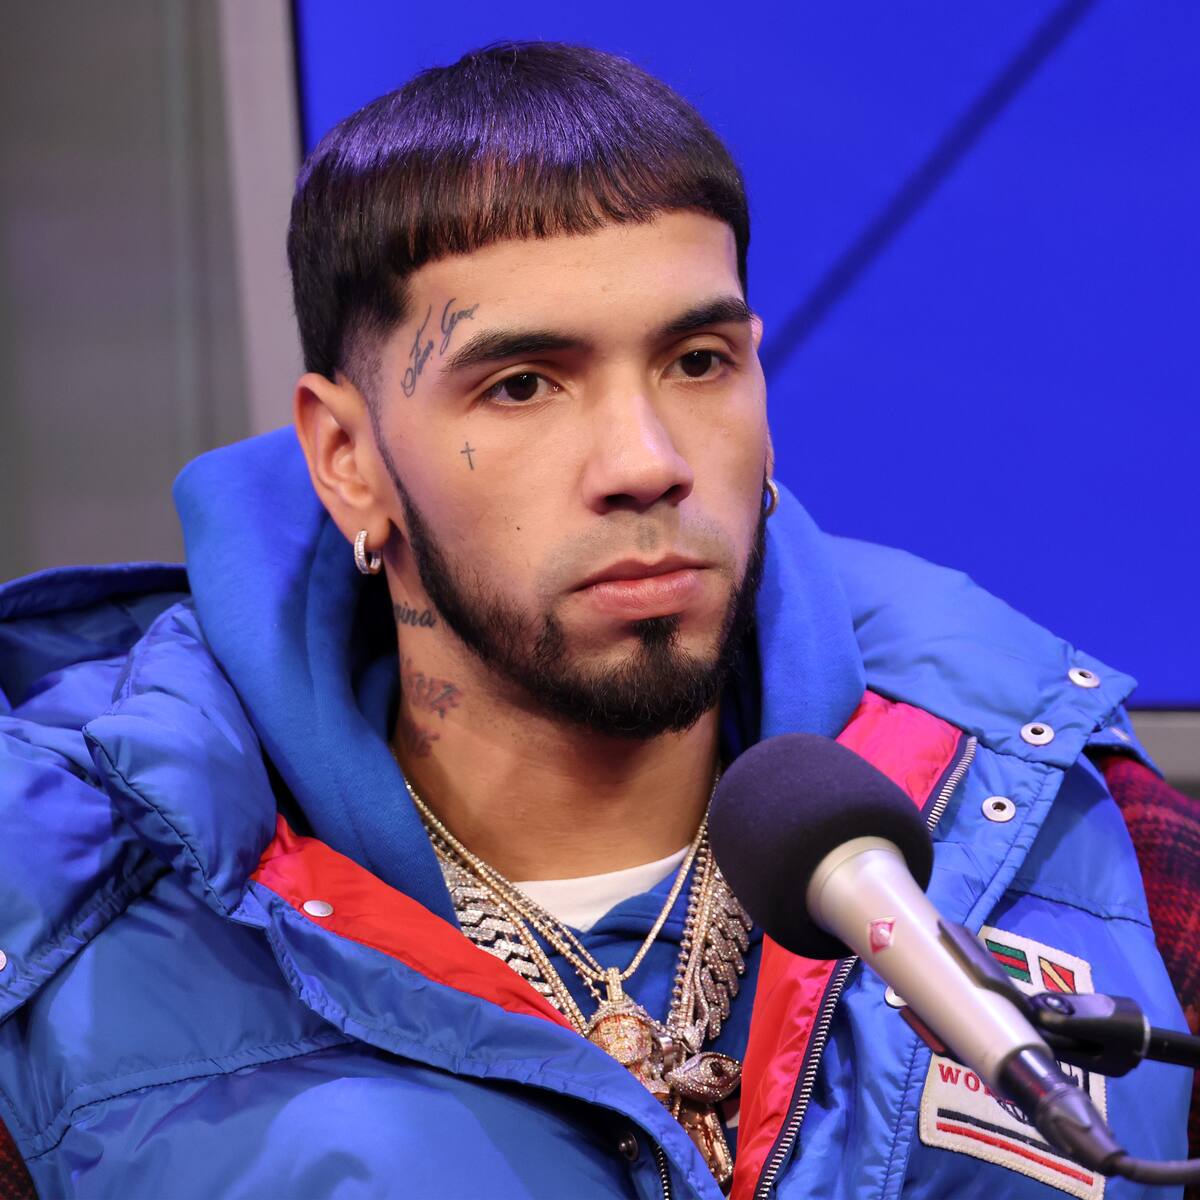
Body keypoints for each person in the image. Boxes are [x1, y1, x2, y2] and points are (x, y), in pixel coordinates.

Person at [0, 41, 1192, 1200]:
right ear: (348, 459)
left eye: (698, 361)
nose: (647, 462)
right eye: (523, 384)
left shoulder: (1074, 813)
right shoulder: (57, 936)